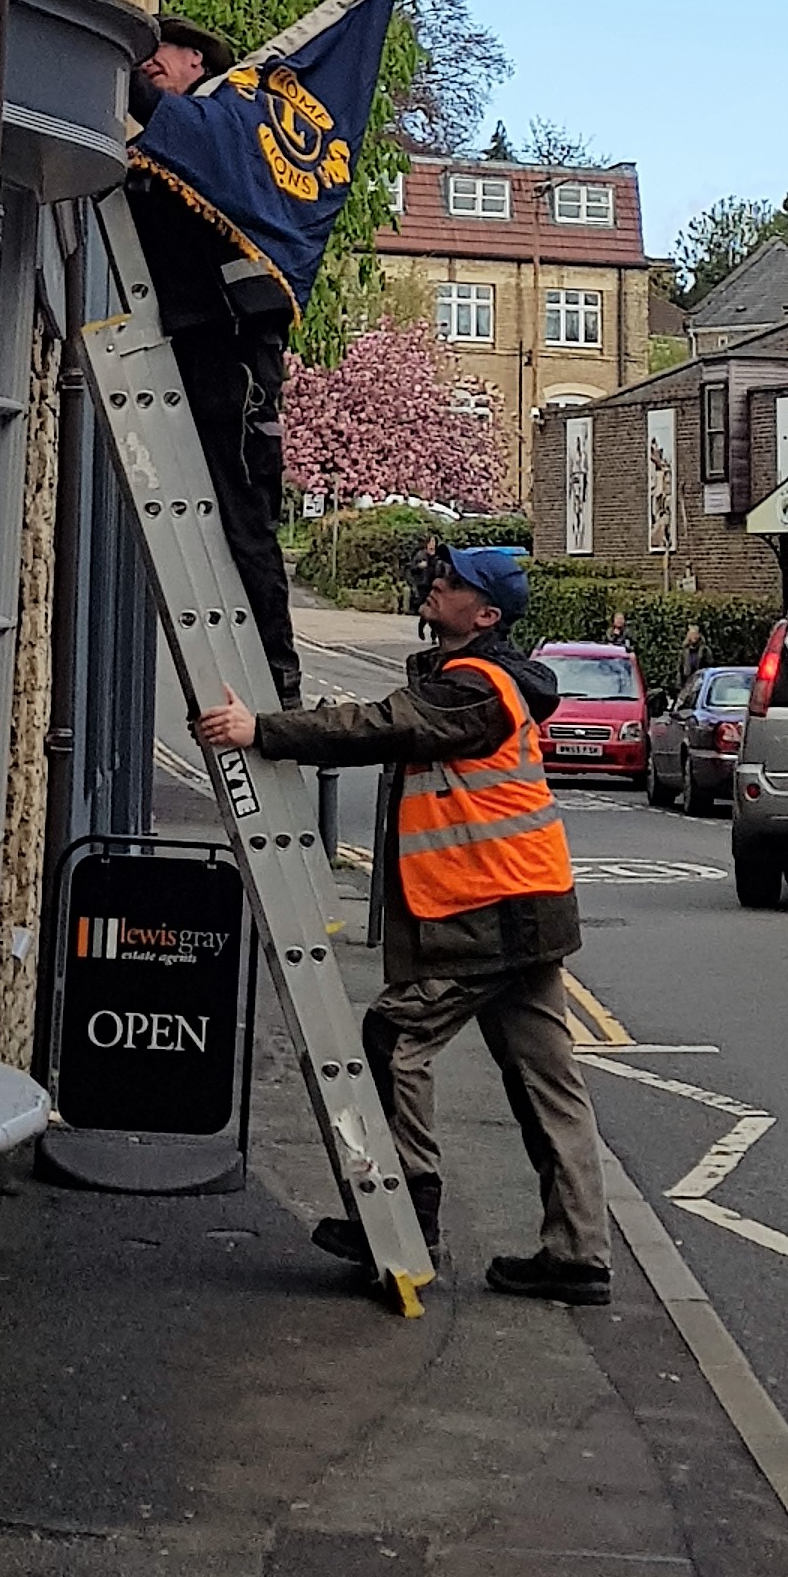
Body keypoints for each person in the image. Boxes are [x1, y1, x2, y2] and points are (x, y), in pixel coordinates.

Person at [197, 539, 611, 1301]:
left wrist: (263, 732)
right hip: (527, 907)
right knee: (547, 1083)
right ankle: (579, 1251)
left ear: (484, 614)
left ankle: (403, 1215)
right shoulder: (476, 679)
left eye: (452, 583)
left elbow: (382, 725)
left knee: (393, 1038)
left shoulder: (476, 688)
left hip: (484, 909)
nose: (435, 584)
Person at [128, 13, 303, 702]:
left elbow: (144, 103)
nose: (146, 61)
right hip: (196, 339)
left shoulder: (218, 124)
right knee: (218, 508)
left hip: (231, 351)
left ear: (196, 61)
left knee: (240, 510)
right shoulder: (180, 140)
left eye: (157, 50)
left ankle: (273, 678)